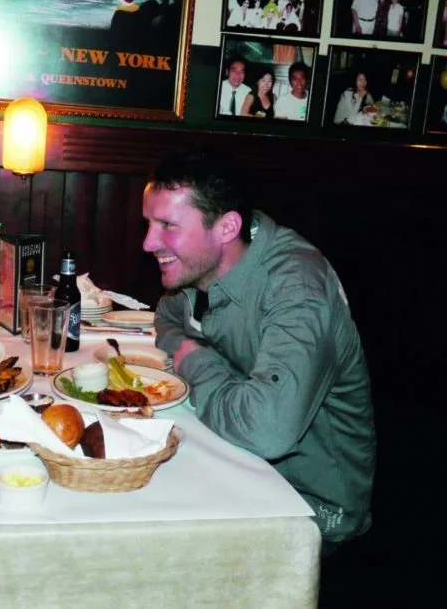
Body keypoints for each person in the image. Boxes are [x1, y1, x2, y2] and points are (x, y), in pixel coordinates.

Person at [142, 149, 376, 554]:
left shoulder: (296, 286)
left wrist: (196, 361)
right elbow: (167, 315)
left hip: (310, 508)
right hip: (240, 469)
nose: (148, 242)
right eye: (149, 223)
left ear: (227, 227)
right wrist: (186, 347)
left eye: (167, 225)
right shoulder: (206, 268)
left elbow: (267, 431)